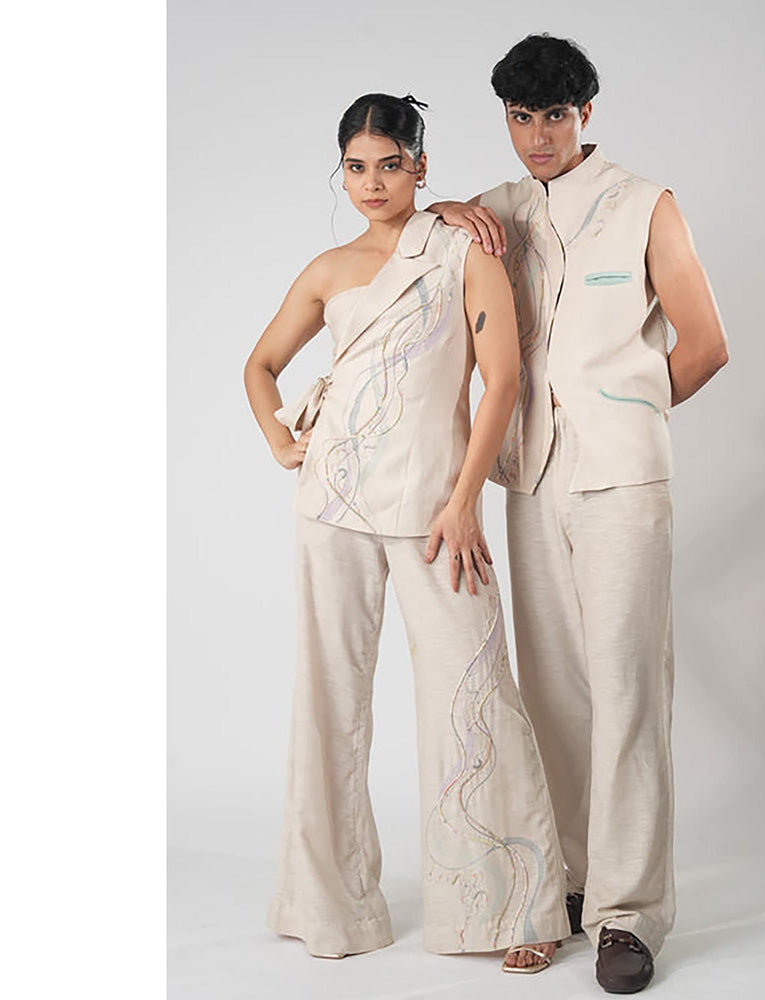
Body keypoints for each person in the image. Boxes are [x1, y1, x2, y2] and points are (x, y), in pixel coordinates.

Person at [428, 36, 730, 994]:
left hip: (621, 482)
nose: (537, 137)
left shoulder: (645, 203)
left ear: (585, 113)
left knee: (626, 690)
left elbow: (705, 343)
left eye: (554, 116)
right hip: (532, 479)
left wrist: (627, 411)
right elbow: (424, 250)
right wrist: (440, 208)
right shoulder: (498, 213)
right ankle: (570, 881)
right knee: (554, 692)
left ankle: (629, 913)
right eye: (520, 118)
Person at [243, 92, 570, 973]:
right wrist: (281, 439)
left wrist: (464, 502)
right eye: (357, 167)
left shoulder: (463, 249)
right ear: (342, 173)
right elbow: (261, 365)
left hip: (434, 511)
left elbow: (502, 381)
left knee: (474, 689)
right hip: (332, 503)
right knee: (329, 696)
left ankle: (513, 904)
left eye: (391, 164)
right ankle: (329, 904)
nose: (373, 183)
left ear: (421, 167)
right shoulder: (328, 268)